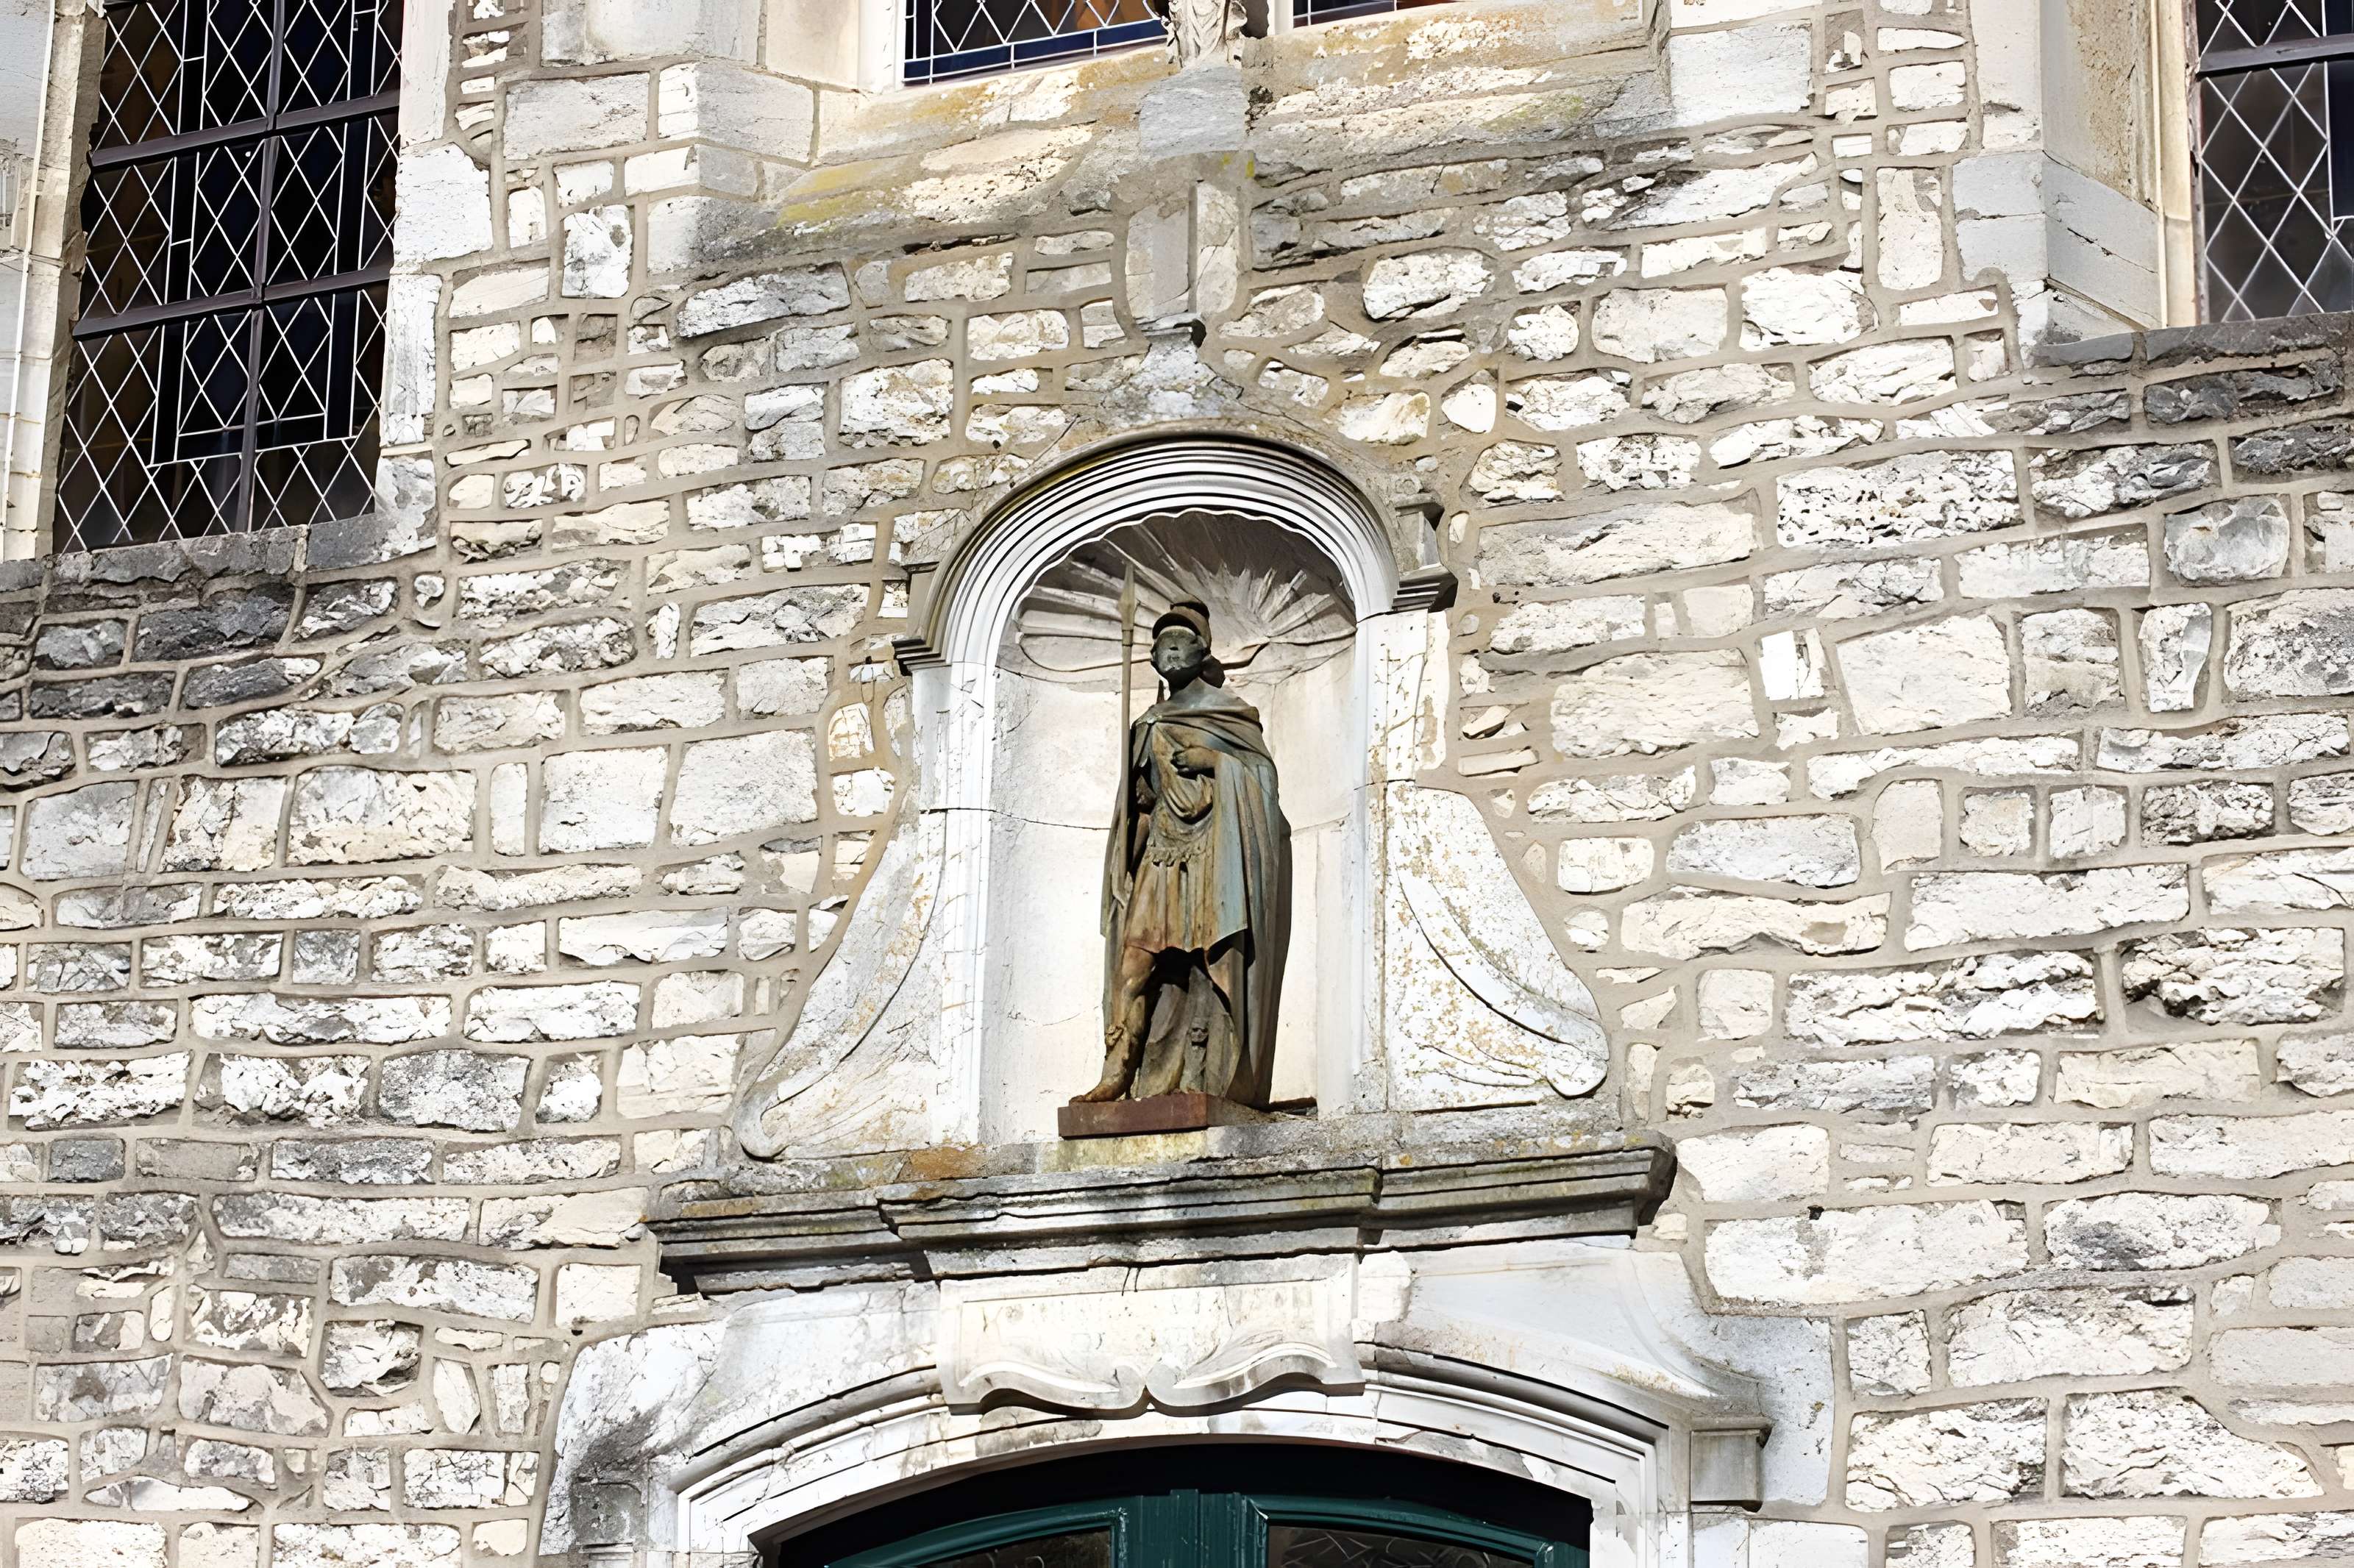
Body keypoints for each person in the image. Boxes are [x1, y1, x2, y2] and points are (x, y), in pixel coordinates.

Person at [1081, 598, 1290, 1107]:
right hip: (1161, 857)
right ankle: (1118, 1070)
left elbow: (1263, 787)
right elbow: (1142, 808)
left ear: (1202, 652)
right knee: (1133, 966)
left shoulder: (1231, 715)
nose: (1169, 651)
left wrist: (1215, 761)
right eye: (1161, 644)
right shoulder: (1148, 724)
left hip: (1213, 861)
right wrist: (1125, 859)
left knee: (1213, 964)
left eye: (1180, 642)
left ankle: (1214, 1074)